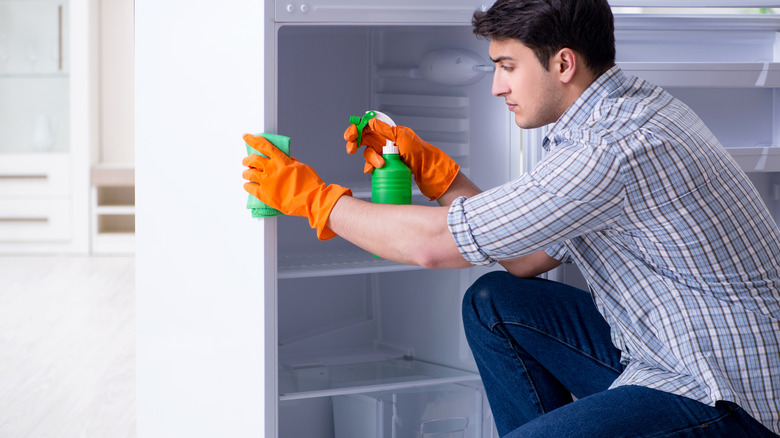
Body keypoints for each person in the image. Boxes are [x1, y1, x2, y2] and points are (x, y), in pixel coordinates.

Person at [242, 0, 780, 436]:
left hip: (727, 393)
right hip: (665, 349)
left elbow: (433, 246)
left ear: (563, 63)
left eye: (507, 67)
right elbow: (527, 258)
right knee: (496, 300)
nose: (497, 86)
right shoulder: (615, 111)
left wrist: (315, 199)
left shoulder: (611, 146)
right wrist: (439, 175)